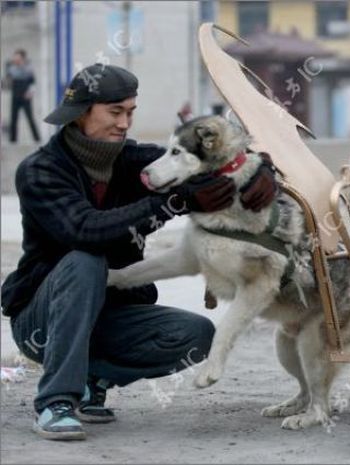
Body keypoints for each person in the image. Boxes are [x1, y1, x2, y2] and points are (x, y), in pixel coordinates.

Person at [0, 64, 278, 441]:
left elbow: (201, 160)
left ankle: (92, 378)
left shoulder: (133, 161)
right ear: (82, 112)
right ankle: (56, 402)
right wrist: (176, 201)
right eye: (115, 112)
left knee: (195, 334)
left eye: (130, 112)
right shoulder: (40, 171)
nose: (125, 123)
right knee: (85, 260)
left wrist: (260, 168)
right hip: (41, 321)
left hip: (110, 313)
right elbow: (85, 230)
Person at [4, 49, 41, 143]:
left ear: (23, 58)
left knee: (30, 118)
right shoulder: (11, 68)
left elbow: (33, 82)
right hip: (15, 96)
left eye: (18, 57)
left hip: (25, 97)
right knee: (13, 119)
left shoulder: (28, 69)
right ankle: (12, 140)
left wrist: (30, 92)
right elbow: (6, 81)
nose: (15, 59)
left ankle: (37, 139)